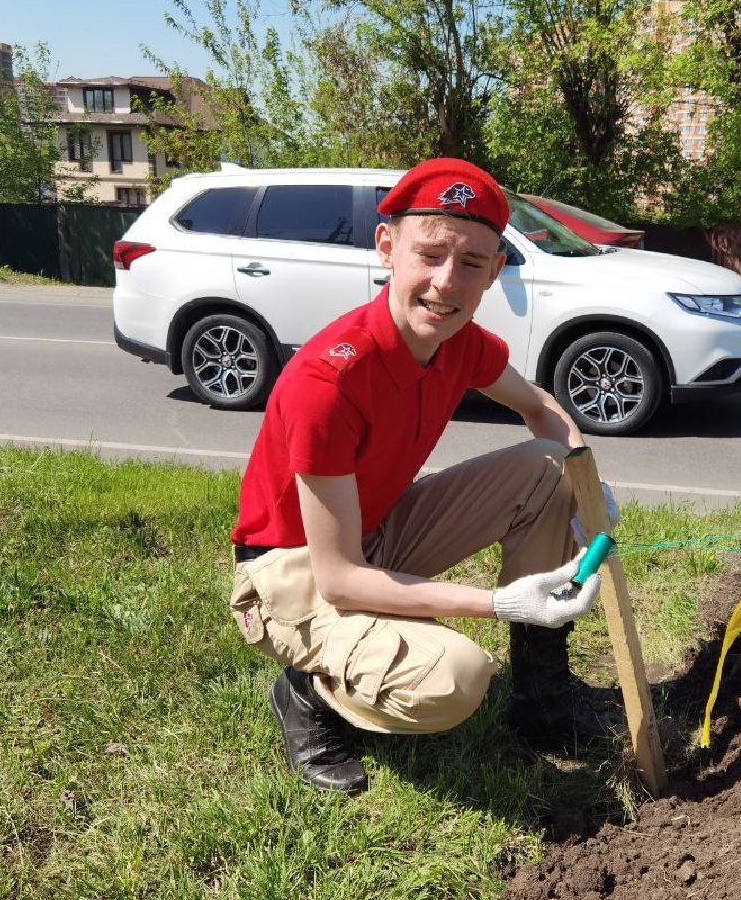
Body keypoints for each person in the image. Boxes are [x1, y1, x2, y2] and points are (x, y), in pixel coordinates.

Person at [228, 157, 615, 794]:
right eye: (429, 255)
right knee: (456, 677)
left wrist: (586, 482)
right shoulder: (329, 382)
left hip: (372, 528)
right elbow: (341, 577)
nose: (445, 283)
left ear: (495, 271)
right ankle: (308, 695)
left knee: (545, 470)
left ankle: (541, 697)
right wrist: (495, 604)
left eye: (470, 264)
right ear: (387, 248)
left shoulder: (457, 343)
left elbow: (539, 407)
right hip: (294, 568)